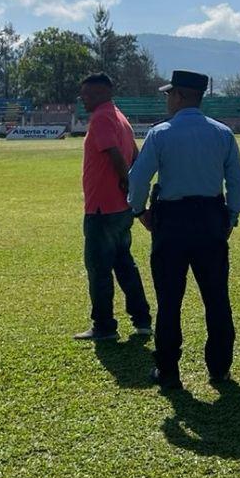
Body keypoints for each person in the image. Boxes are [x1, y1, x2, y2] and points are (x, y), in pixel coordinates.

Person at [127, 69, 240, 390]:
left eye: (169, 94)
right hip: (210, 219)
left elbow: (138, 180)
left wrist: (140, 212)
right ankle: (219, 368)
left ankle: (168, 370)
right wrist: (230, 217)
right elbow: (235, 181)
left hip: (172, 221)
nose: (167, 100)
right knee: (217, 298)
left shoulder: (161, 134)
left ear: (179, 95)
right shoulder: (223, 134)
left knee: (169, 301)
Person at [74, 72, 153, 341]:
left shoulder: (101, 118)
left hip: (102, 209)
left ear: (99, 93)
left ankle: (104, 326)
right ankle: (142, 319)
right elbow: (136, 154)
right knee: (124, 264)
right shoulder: (120, 117)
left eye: (85, 93)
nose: (82, 98)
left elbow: (116, 155)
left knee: (99, 269)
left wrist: (126, 181)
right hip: (119, 208)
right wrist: (134, 185)